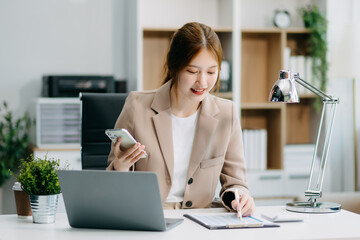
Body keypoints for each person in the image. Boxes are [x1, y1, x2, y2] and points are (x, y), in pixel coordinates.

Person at [107, 22, 255, 216]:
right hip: (146, 216)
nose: (202, 82)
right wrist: (121, 167)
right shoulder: (137, 107)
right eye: (192, 71)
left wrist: (240, 197)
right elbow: (109, 183)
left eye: (211, 72)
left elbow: (236, 182)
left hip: (200, 221)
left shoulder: (227, 113)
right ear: (174, 66)